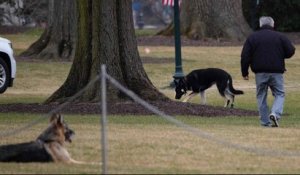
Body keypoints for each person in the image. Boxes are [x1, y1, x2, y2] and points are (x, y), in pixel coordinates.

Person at [241, 16, 295, 127]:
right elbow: (291, 50)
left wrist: (245, 72)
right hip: (276, 72)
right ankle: (275, 113)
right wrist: (280, 55)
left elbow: (245, 56)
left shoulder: (253, 37)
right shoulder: (280, 36)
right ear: (273, 25)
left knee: (261, 95)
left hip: (260, 72)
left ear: (260, 25)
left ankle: (265, 122)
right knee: (279, 94)